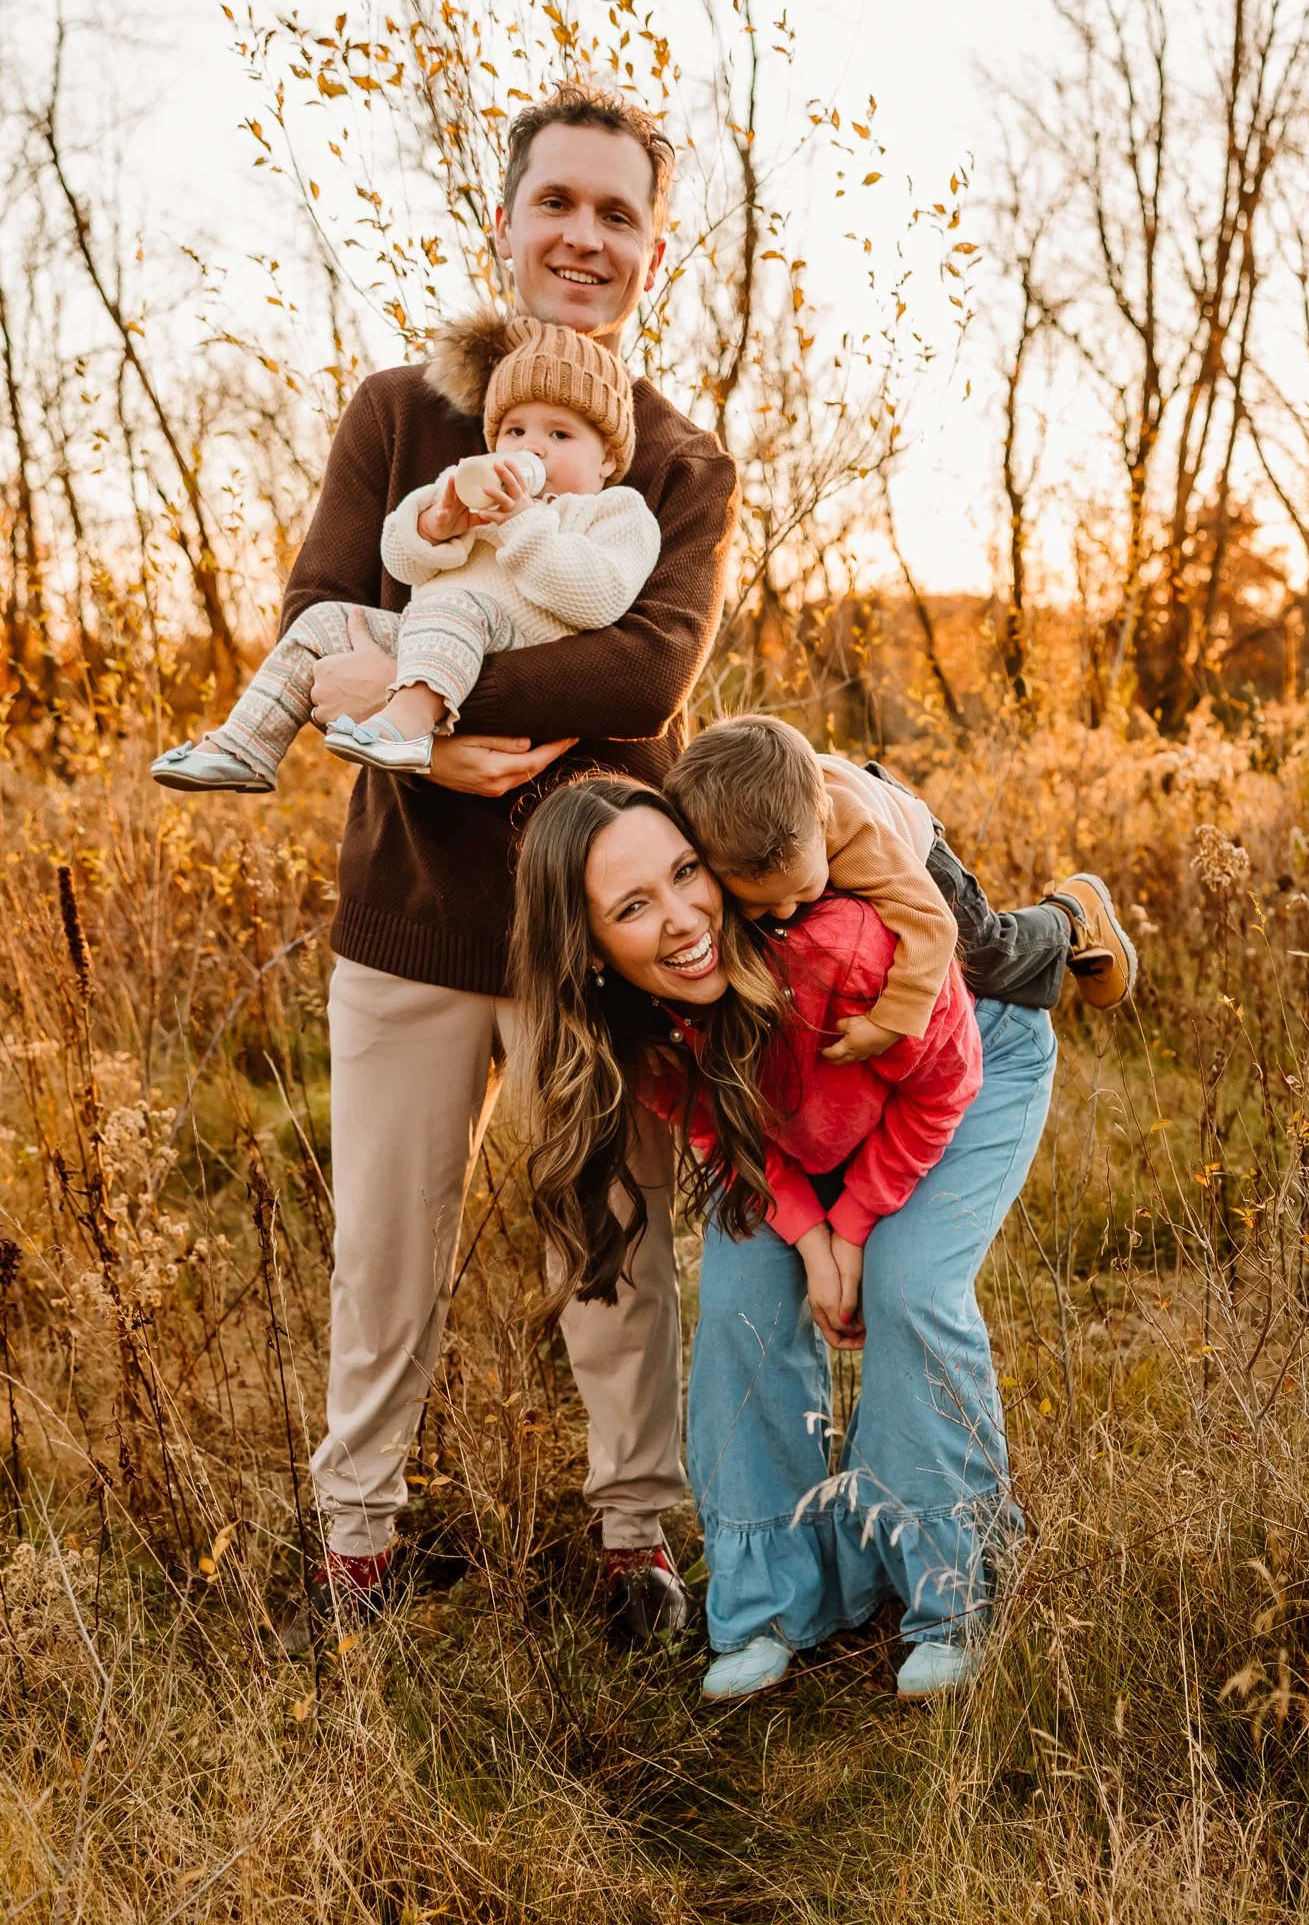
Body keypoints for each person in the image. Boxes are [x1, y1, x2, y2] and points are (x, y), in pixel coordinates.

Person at [259, 83, 739, 1655]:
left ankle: (633, 1545)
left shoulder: (676, 461)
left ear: (653, 253)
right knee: (385, 1237)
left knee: (605, 1229)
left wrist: (433, 692)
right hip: (404, 907)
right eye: (559, 205)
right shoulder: (401, 413)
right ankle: (358, 1543)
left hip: (590, 916)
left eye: (616, 215)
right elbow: (318, 618)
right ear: (505, 224)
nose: (582, 238)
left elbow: (647, 677)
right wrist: (403, 718)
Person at [509, 776, 1059, 1701]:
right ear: (589, 947)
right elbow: (722, 1140)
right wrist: (809, 1239)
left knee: (905, 1287)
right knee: (738, 1301)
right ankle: (770, 1602)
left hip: (959, 1069)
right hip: (808, 1125)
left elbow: (939, 1082)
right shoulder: (632, 1025)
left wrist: (851, 1228)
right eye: (634, 907)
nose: (684, 919)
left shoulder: (830, 941)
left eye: (688, 873)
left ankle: (953, 1594)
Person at [151, 314, 656, 791]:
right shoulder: (472, 491)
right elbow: (401, 561)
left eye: (560, 434)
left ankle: (408, 728)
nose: (533, 449)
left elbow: (601, 597)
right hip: (427, 640)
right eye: (515, 431)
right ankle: (246, 746)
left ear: (608, 456)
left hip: (518, 644)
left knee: (456, 605)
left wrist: (523, 526)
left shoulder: (613, 512)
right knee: (323, 623)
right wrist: (433, 525)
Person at [665, 714, 1137, 1041]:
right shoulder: (729, 833)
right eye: (760, 904)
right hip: (801, 802)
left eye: (802, 890)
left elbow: (933, 923)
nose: (786, 909)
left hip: (908, 832)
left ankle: (1068, 919)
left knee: (981, 952)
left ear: (823, 819)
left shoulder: (860, 840)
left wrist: (892, 1020)